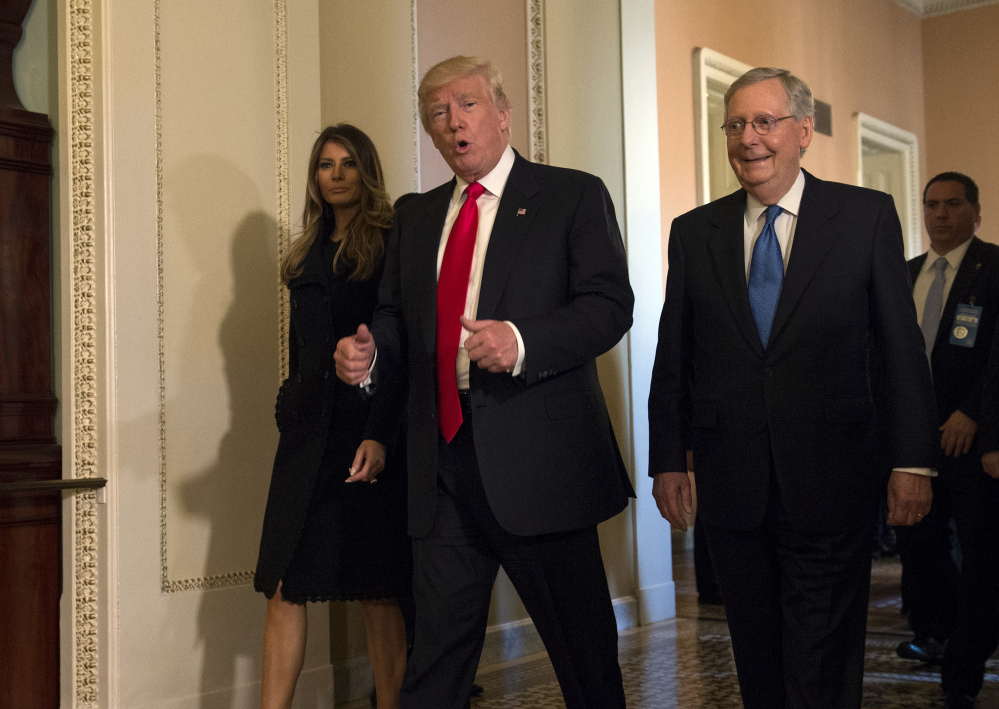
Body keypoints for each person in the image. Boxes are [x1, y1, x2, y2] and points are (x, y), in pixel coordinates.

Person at [335, 56, 634, 709]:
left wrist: (522, 340)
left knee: (584, 663)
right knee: (435, 663)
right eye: (437, 113)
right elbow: (394, 317)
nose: (452, 122)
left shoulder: (570, 195)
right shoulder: (415, 216)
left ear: (502, 112)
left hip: (541, 468)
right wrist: (368, 354)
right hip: (440, 465)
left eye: (465, 104)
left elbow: (608, 306)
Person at [648, 67, 937, 709]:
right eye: (736, 124)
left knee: (822, 654)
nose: (749, 138)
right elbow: (675, 357)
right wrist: (667, 459)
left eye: (764, 122)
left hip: (834, 475)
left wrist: (912, 460)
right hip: (732, 484)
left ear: (803, 131)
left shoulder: (864, 217)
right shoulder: (696, 232)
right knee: (757, 652)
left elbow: (900, 350)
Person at [254, 124, 410, 709]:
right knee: (285, 584)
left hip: (363, 434)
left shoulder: (390, 243)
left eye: (348, 163)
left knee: (378, 589)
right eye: (325, 164)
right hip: (305, 436)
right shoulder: (305, 251)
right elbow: (301, 351)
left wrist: (380, 434)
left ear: (365, 171)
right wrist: (288, 405)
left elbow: (399, 351)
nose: (336, 174)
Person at [892, 174, 999, 687]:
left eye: (952, 204)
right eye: (931, 204)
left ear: (975, 213)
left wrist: (973, 411)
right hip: (912, 439)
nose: (940, 214)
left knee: (980, 549)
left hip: (971, 439)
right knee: (920, 543)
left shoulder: (994, 267)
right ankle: (936, 635)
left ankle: (970, 646)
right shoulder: (904, 273)